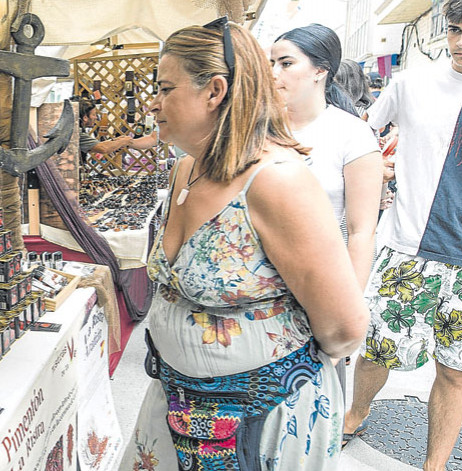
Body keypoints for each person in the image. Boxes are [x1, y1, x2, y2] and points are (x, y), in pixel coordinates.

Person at [120, 18, 368, 470]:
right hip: (177, 402)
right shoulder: (185, 171)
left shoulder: (277, 181)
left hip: (264, 417)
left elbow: (345, 327)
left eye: (165, 88)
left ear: (214, 91)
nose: (154, 103)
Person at [343, 1, 462, 468]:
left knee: (458, 371)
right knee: (378, 351)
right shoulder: (411, 83)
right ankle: (354, 415)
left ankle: (434, 466)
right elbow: (359, 138)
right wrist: (373, 169)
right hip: (409, 249)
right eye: (456, 30)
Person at [270, 25, 383, 289]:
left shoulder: (353, 134)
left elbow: (361, 232)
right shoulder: (256, 127)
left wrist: (351, 302)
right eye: (272, 63)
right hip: (249, 284)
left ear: (320, 70)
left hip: (315, 284)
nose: (274, 73)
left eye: (286, 63)